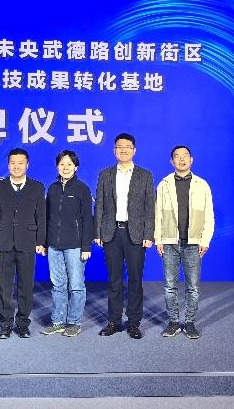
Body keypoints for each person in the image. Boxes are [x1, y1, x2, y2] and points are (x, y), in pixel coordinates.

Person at [94, 133, 155, 339]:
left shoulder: (145, 175)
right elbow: (99, 205)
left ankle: (134, 323)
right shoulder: (105, 174)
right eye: (119, 147)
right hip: (111, 233)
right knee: (114, 280)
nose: (123, 150)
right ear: (114, 151)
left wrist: (149, 234)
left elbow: (150, 207)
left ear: (134, 150)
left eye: (127, 147)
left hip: (135, 234)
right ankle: (114, 321)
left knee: (135, 280)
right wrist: (97, 232)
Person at [154, 145, 214, 340]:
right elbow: (157, 215)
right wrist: (158, 239)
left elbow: (209, 215)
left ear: (191, 160)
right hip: (169, 242)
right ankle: (173, 322)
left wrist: (205, 240)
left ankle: (189, 322)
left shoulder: (202, 185)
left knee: (193, 287)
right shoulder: (163, 184)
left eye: (185, 156)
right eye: (177, 156)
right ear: (171, 161)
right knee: (169, 286)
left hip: (193, 243)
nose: (181, 159)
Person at [0, 148, 47, 339]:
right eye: (13, 163)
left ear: (27, 165)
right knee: (4, 286)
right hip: (3, 241)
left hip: (28, 242)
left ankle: (22, 324)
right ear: (8, 165)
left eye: (21, 163)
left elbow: (41, 217)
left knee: (26, 286)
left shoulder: (37, 187)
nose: (17, 166)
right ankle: (5, 324)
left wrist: (41, 241)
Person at [41, 150, 93, 338]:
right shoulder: (52, 189)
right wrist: (44, 243)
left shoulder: (82, 189)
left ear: (76, 167)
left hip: (75, 246)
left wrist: (86, 246)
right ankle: (58, 321)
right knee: (58, 285)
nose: (65, 168)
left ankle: (74, 322)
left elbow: (87, 219)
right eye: (62, 164)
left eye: (69, 164)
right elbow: (47, 217)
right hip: (54, 246)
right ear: (57, 167)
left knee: (76, 286)